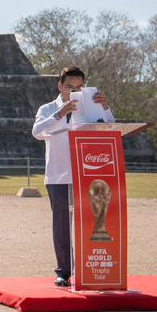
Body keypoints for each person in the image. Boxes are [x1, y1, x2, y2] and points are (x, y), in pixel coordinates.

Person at [32, 66, 114, 287]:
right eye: (69, 87)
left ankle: (91, 270)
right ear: (60, 86)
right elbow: (37, 132)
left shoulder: (92, 108)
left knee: (92, 224)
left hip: (88, 174)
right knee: (62, 227)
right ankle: (64, 271)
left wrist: (106, 109)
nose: (74, 92)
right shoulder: (48, 108)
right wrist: (60, 114)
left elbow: (110, 129)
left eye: (79, 87)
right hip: (58, 176)